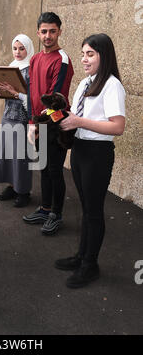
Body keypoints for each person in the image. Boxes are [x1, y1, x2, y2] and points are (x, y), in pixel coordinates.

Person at [55, 33, 126, 288]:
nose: (84, 59)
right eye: (83, 53)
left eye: (90, 54)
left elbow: (118, 127)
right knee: (85, 207)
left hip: (98, 154)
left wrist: (78, 121)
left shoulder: (111, 85)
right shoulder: (85, 83)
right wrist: (56, 114)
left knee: (93, 211)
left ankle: (90, 266)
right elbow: (75, 114)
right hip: (81, 150)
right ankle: (82, 256)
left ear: (103, 56)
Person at [23, 12, 74, 235]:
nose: (48, 36)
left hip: (56, 125)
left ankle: (56, 214)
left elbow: (55, 99)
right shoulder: (34, 59)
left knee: (54, 170)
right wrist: (31, 122)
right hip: (38, 124)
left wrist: (38, 124)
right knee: (43, 168)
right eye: (44, 31)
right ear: (38, 33)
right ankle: (45, 209)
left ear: (60, 31)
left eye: (53, 31)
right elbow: (32, 93)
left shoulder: (62, 59)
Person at [0, 34, 34, 207]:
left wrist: (16, 94)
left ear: (29, 49)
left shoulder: (32, 69)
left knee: (22, 157)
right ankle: (12, 186)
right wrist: (1, 93)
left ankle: (23, 191)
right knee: (8, 155)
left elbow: (32, 98)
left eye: (22, 48)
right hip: (8, 117)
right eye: (15, 48)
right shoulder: (11, 66)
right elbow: (10, 93)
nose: (17, 52)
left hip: (23, 120)